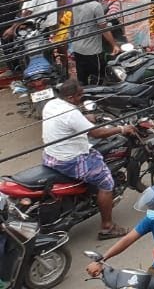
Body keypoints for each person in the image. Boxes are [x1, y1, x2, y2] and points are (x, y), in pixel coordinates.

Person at [43, 79, 133, 238]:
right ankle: (107, 227)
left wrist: (85, 117)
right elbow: (96, 134)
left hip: (51, 156)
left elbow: (69, 123)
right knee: (106, 181)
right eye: (79, 96)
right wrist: (121, 128)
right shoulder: (71, 113)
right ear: (70, 97)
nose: (82, 98)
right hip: (70, 161)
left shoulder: (51, 104)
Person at [68, 0, 116, 85]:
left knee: (82, 79)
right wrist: (114, 45)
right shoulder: (95, 6)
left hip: (77, 48)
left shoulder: (75, 0)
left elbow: (72, 23)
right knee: (98, 79)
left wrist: (72, 38)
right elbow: (104, 28)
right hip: (92, 51)